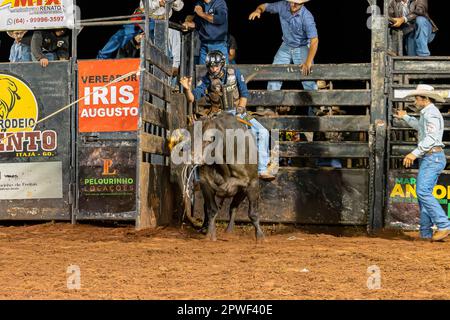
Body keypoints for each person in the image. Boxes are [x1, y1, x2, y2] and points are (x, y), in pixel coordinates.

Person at [179, 50, 276, 181]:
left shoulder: (234, 73)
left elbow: (244, 93)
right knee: (199, 135)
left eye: (216, 66)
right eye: (211, 66)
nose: (214, 69)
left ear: (222, 64)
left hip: (238, 111)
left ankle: (261, 169)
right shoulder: (207, 79)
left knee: (263, 132)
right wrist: (186, 89)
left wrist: (240, 109)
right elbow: (192, 98)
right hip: (218, 114)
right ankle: (198, 177)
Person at [394, 85, 450, 242]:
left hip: (432, 157)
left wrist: (414, 153)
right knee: (424, 194)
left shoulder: (431, 114)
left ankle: (444, 225)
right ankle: (425, 233)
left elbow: (431, 138)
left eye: (417, 98)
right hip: (432, 157)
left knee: (423, 192)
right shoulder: (428, 113)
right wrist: (405, 117)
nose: (415, 101)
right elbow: (422, 129)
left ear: (425, 99)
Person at [249, 0, 319, 97]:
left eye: (297, 3)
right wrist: (258, 11)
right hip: (286, 45)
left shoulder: (307, 17)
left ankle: (314, 108)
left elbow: (314, 41)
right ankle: (271, 105)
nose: (293, 5)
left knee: (307, 77)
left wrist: (308, 61)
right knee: (275, 73)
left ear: (302, 3)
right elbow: (265, 6)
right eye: (291, 2)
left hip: (301, 46)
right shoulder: (282, 5)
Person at [97, 0, 184, 59]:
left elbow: (179, 7)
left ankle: (166, 73)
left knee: (161, 47)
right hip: (142, 16)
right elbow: (146, 5)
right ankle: (100, 60)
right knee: (119, 37)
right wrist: (158, 3)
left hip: (159, 21)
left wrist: (175, 3)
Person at [182, 0, 228, 64]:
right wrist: (188, 24)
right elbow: (199, 25)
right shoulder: (199, 3)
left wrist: (201, 14)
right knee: (202, 72)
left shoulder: (219, 2)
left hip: (218, 45)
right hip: (204, 46)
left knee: (222, 71)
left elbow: (220, 19)